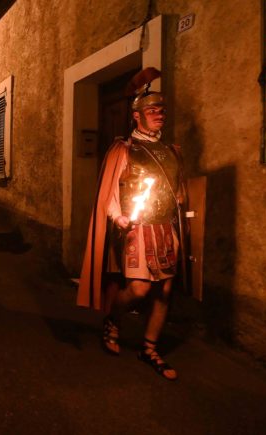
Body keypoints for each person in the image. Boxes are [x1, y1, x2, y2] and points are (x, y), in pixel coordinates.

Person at [77, 67, 187, 381]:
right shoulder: (124, 150)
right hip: (137, 230)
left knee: (164, 291)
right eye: (153, 111)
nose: (160, 115)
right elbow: (110, 194)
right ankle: (112, 320)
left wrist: (180, 205)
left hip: (165, 228)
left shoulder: (172, 151)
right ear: (137, 116)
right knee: (139, 289)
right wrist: (118, 216)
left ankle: (149, 348)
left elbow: (179, 191)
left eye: (162, 111)